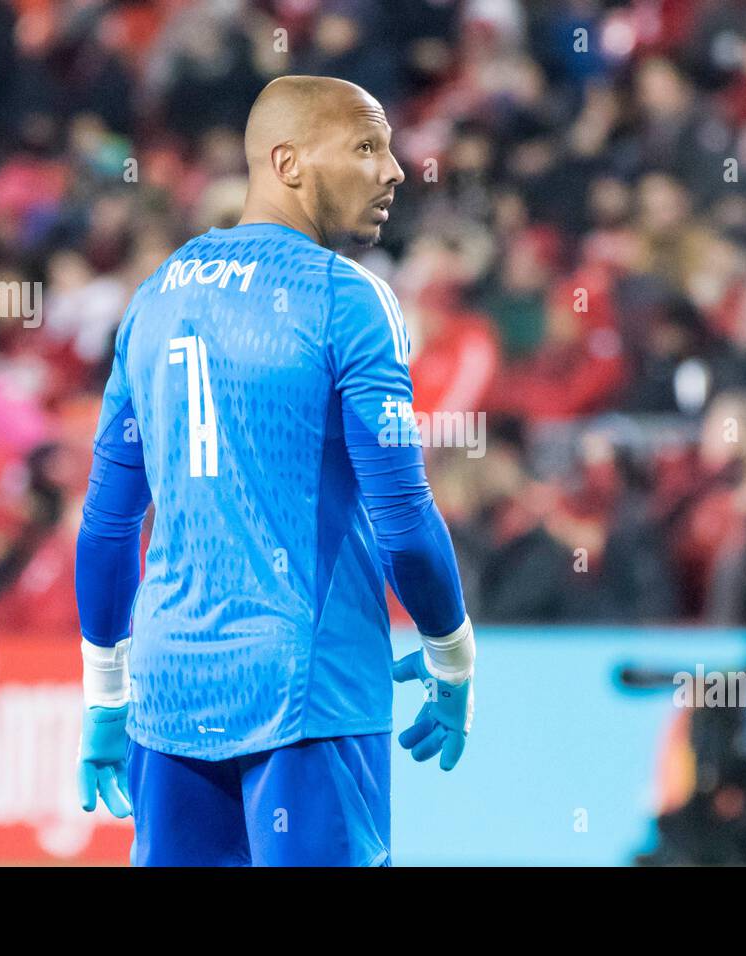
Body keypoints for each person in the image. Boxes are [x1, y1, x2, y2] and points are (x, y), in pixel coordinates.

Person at [73, 76, 476, 866]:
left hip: (170, 695)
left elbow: (107, 523)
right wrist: (451, 650)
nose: (395, 170)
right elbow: (404, 525)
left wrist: (106, 693)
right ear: (287, 163)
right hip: (309, 695)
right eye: (366, 146)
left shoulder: (154, 298)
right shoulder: (348, 301)